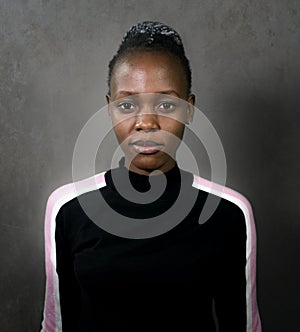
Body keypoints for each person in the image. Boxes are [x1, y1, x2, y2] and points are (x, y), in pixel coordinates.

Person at [41, 21, 262, 331]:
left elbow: (245, 326)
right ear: (109, 109)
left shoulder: (228, 212)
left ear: (189, 109)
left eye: (167, 104)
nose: (146, 122)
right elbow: (56, 325)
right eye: (128, 104)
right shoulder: (68, 208)